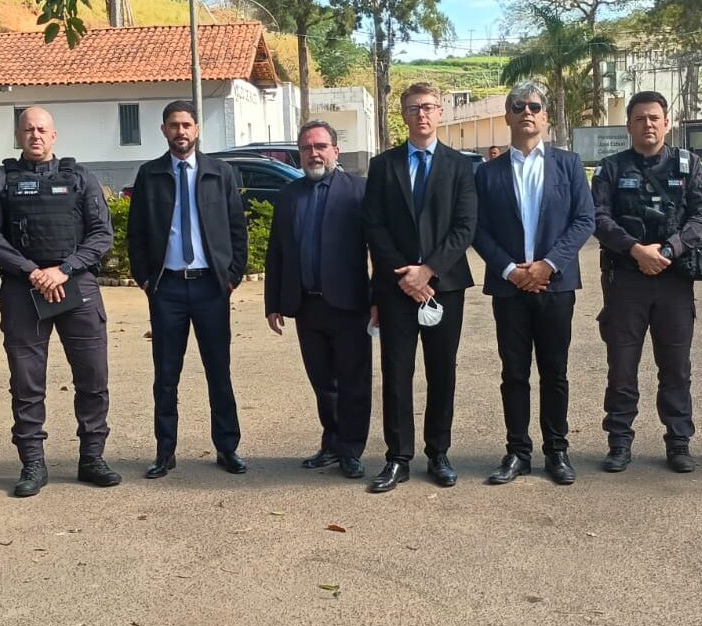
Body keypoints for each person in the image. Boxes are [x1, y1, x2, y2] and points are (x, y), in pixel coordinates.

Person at [0, 106, 122, 496]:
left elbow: (100, 234)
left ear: (54, 136)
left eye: (42, 130)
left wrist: (64, 269)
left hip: (76, 286)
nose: (35, 136)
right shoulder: (0, 181)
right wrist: (33, 272)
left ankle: (92, 457)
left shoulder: (80, 178)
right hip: (23, 290)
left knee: (93, 377)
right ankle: (32, 465)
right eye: (28, 130)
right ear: (18, 136)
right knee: (26, 383)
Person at [471, 81, 595, 486]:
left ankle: (556, 451)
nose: (527, 111)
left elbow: (584, 221)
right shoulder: (486, 173)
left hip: (555, 287)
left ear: (545, 116)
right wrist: (512, 271)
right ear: (507, 116)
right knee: (514, 373)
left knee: (555, 372)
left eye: (534, 106)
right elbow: (479, 230)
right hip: (509, 289)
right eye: (517, 106)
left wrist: (547, 265)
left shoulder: (568, 165)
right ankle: (517, 452)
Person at [362, 81, 478, 493]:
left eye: (428, 107)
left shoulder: (461, 166)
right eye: (413, 108)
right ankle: (398, 457)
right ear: (404, 115)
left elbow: (465, 227)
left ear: (441, 112)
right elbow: (373, 226)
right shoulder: (383, 165)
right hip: (396, 288)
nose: (422, 114)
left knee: (441, 370)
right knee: (396, 371)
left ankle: (438, 453)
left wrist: (427, 271)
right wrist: (405, 275)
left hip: (445, 286)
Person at [591, 90, 702, 474]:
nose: (648, 124)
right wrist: (635, 250)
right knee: (622, 367)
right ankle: (619, 443)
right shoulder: (610, 168)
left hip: (674, 280)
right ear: (629, 125)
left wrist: (669, 250)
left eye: (654, 118)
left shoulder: (688, 164)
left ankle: (678, 443)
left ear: (667, 122)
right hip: (625, 279)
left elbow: (701, 216)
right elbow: (597, 218)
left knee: (676, 367)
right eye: (640, 118)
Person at [127, 100, 249, 478]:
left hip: (212, 288)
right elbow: (137, 234)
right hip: (168, 291)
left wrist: (231, 277)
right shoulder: (150, 174)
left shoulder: (221, 173)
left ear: (197, 129)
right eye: (173, 125)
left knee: (219, 372)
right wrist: (147, 281)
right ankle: (165, 453)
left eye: (186, 125)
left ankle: (227, 448)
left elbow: (236, 229)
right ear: (164, 130)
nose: (180, 132)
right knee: (166, 375)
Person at [264, 120, 373, 480]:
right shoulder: (289, 195)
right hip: (306, 306)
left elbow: (380, 250)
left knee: (353, 381)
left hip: (350, 304)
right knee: (322, 382)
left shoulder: (359, 191)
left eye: (321, 146)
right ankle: (331, 443)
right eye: (307, 148)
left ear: (335, 151)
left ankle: (352, 449)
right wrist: (273, 302)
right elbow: (277, 252)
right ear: (299, 154)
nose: (314, 153)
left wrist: (380, 300)